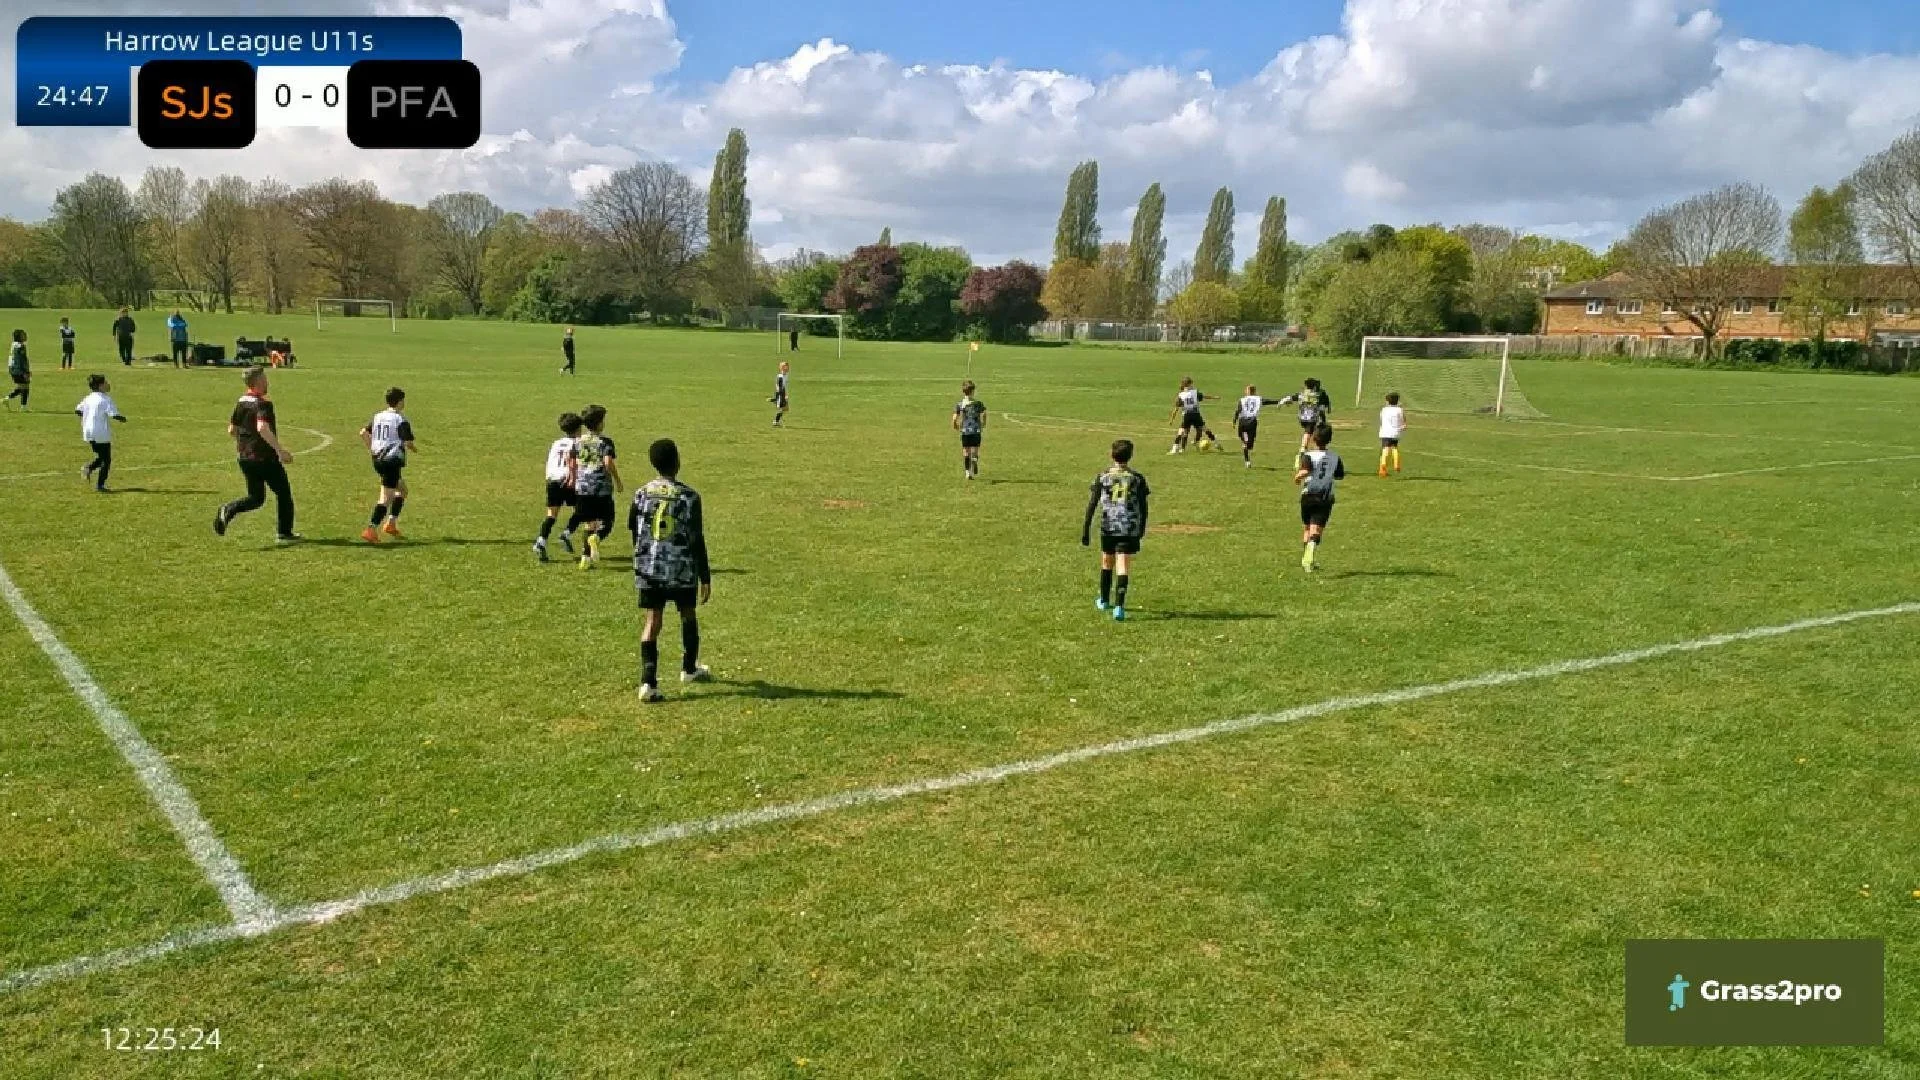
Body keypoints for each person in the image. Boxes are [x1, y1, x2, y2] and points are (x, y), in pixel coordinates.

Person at [628, 438, 713, 702]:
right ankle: (689, 668)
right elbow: (697, 539)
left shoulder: (641, 493)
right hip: (681, 568)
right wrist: (705, 576)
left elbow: (633, 527)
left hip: (650, 568)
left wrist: (642, 556)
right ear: (677, 461)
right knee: (687, 614)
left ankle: (648, 682)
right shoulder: (689, 496)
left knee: (652, 621)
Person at [212, 365, 299, 544]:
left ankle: (228, 509)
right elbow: (262, 427)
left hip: (245, 458)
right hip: (264, 458)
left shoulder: (241, 402)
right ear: (257, 382)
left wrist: (245, 444)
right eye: (264, 378)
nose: (267, 382)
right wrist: (279, 450)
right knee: (283, 493)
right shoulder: (263, 404)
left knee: (256, 498)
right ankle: (284, 533)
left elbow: (231, 430)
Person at [1081, 439, 1150, 622]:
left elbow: (1092, 504)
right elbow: (1143, 506)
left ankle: (1104, 600)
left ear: (1111, 455)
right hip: (1129, 527)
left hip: (1108, 526)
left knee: (1106, 561)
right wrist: (1142, 527)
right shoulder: (1137, 478)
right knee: (1123, 565)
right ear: (1130, 456)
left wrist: (1086, 529)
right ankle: (1119, 606)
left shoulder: (1103, 476)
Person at [566, 404, 621, 569]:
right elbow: (608, 462)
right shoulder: (604, 442)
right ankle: (597, 537)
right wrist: (618, 480)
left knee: (589, 522)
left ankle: (585, 557)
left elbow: (571, 459)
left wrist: (574, 477)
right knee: (607, 521)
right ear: (599, 423)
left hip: (582, 489)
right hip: (601, 489)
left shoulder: (578, 441)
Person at [358, 387, 416, 543]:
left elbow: (363, 432)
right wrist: (413, 448)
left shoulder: (378, 416)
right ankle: (371, 529)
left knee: (402, 490)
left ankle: (391, 523)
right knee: (385, 497)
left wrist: (373, 449)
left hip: (378, 460)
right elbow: (408, 441)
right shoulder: (400, 419)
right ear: (400, 402)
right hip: (391, 461)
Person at [1294, 424, 1345, 573]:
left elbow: (1305, 471)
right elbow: (1339, 475)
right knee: (1316, 530)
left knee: (1308, 527)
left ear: (1314, 439)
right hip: (1324, 497)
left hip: (1307, 495)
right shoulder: (1335, 457)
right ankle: (1309, 556)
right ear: (1329, 439)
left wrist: (1298, 476)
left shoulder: (1308, 455)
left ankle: (1307, 560)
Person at [534, 412, 584, 562]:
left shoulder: (556, 443)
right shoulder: (579, 443)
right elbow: (576, 462)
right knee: (582, 510)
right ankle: (566, 534)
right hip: (568, 480)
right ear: (579, 428)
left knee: (551, 515)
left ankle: (541, 541)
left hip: (553, 480)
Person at [75, 373, 127, 492]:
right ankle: (100, 485)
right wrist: (122, 419)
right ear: (100, 386)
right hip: (100, 432)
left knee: (102, 456)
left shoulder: (88, 397)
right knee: (106, 460)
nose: (108, 384)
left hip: (88, 431)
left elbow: (78, 410)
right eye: (105, 383)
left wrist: (88, 418)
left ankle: (88, 468)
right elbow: (114, 414)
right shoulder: (106, 399)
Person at [1233, 385, 1283, 468]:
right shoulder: (1258, 399)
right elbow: (1269, 402)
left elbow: (1238, 411)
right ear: (1254, 391)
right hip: (1252, 422)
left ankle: (1247, 460)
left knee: (1245, 442)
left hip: (1243, 422)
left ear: (1247, 391)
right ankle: (1247, 460)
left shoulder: (1242, 400)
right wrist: (1281, 401)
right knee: (1249, 444)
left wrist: (1234, 421)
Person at [1278, 378, 1333, 452]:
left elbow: (1291, 398)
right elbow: (1322, 407)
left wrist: (1282, 402)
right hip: (1311, 418)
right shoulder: (1318, 395)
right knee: (1308, 432)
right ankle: (1303, 448)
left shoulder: (1303, 394)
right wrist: (1324, 415)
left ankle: (1314, 446)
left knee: (1313, 431)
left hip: (1302, 417)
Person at [1167, 376, 1216, 454]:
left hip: (1187, 415)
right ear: (1189, 384)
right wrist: (1214, 397)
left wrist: (1172, 420)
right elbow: (1204, 396)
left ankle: (1175, 448)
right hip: (1196, 414)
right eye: (1192, 384)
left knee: (1182, 431)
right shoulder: (1194, 392)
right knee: (1204, 429)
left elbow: (1176, 409)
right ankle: (1216, 443)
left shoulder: (1181, 395)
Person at [952, 380, 987, 480]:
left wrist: (955, 425)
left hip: (965, 431)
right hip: (976, 430)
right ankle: (974, 459)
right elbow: (984, 413)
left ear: (963, 392)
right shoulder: (978, 403)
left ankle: (968, 472)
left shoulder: (960, 404)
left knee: (966, 451)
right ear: (973, 392)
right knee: (975, 449)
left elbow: (954, 418)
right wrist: (983, 423)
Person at [1378, 392, 1407, 477]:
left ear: (1387, 401)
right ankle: (1396, 464)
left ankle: (1383, 465)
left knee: (1385, 448)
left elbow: (1381, 420)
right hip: (1396, 432)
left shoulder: (1384, 410)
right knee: (1394, 448)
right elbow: (1403, 420)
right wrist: (1403, 426)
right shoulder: (1400, 410)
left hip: (1385, 432)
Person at [4, 329, 28, 411]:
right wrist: (25, 371)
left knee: (22, 387)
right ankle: (23, 407)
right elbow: (21, 360)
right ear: (19, 337)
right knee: (25, 387)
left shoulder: (14, 344)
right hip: (19, 370)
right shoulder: (21, 346)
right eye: (23, 334)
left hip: (12, 369)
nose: (25, 335)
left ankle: (7, 399)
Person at [770, 361, 790, 427]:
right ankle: (776, 421)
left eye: (787, 366)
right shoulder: (780, 376)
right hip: (781, 393)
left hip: (783, 392)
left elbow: (785, 385)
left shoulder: (786, 375)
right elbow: (778, 386)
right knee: (783, 408)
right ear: (782, 368)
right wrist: (783, 395)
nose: (787, 368)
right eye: (785, 367)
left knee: (785, 408)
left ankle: (776, 421)